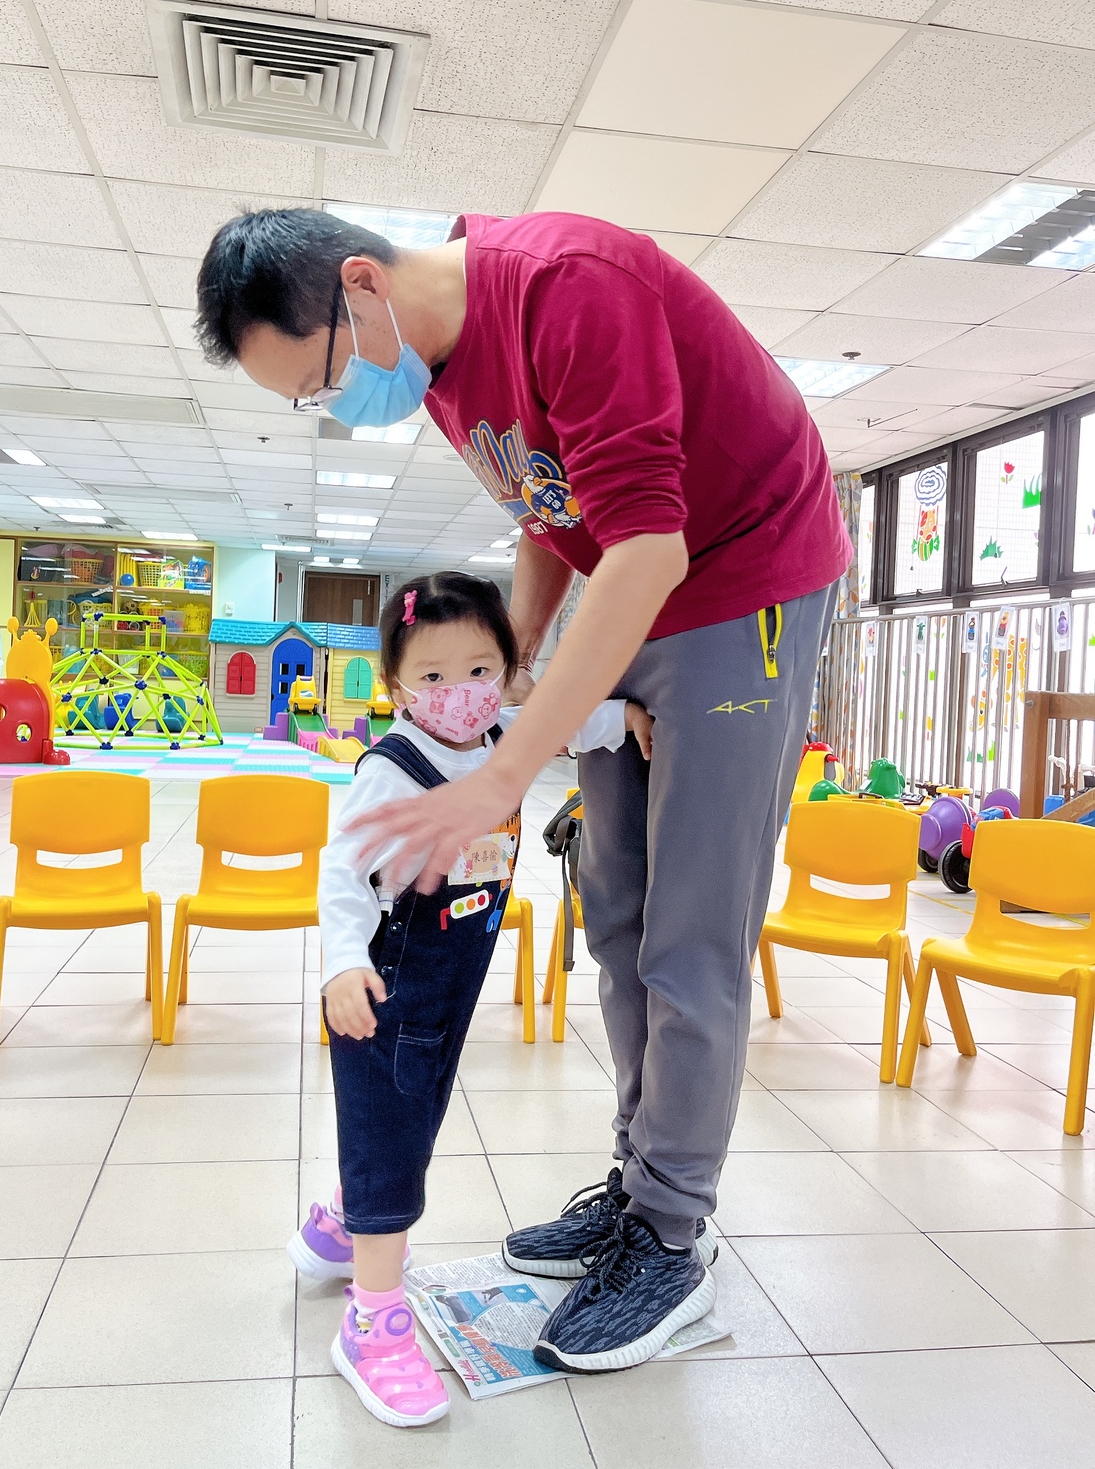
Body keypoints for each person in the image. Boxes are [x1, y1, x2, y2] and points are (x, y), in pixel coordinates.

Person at [195, 207, 849, 1373]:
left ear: (361, 285)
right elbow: (550, 513)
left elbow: (648, 546)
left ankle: (671, 1233)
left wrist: (502, 770)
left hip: (739, 579)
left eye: (323, 379)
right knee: (618, 918)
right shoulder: (442, 365)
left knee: (691, 937)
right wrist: (520, 663)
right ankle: (638, 1186)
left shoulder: (567, 288)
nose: (338, 407)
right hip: (632, 587)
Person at [288, 570, 656, 1427]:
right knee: (391, 1137)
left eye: (480, 670)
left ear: (508, 671)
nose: (460, 692)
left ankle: (338, 1227)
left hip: (450, 988)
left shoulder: (501, 734)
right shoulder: (394, 770)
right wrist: (340, 965)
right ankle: (373, 1325)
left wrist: (624, 719)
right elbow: (342, 873)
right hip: (384, 988)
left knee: (407, 1121)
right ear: (396, 686)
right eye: (433, 675)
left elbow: (571, 718)